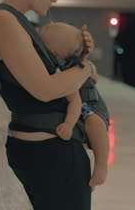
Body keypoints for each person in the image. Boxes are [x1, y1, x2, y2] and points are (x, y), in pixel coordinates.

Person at [0, 0, 97, 210]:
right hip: (49, 152)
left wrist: (78, 57)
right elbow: (45, 89)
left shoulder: (17, 22)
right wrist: (85, 67)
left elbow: (50, 78)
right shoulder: (4, 20)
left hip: (51, 149)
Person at [40, 22, 110, 187]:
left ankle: (101, 166)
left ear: (53, 52)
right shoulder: (66, 65)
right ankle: (86, 180)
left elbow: (75, 101)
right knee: (79, 146)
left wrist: (68, 124)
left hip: (90, 106)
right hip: (79, 107)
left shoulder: (68, 71)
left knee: (94, 124)